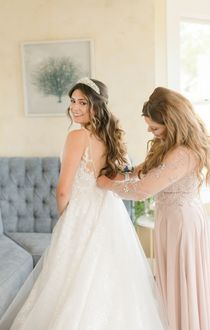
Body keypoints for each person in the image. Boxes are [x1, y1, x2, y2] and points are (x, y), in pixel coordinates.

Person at [0, 78, 167, 330]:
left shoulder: (77, 136)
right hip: (110, 213)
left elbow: (62, 190)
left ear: (96, 106)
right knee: (112, 277)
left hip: (82, 213)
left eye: (82, 102)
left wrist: (65, 219)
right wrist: (139, 172)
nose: (75, 108)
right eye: (72, 101)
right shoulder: (109, 136)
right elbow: (114, 177)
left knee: (70, 279)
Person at [97, 86, 210, 330]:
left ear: (172, 122)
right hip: (169, 219)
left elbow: (144, 189)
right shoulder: (167, 145)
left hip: (182, 223)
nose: (151, 133)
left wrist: (107, 184)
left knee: (183, 279)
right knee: (171, 278)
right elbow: (140, 172)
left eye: (154, 128)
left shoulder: (185, 153)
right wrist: (118, 173)